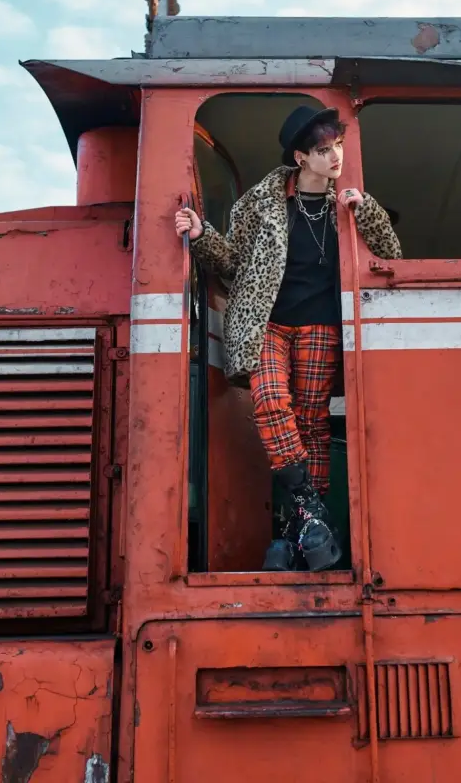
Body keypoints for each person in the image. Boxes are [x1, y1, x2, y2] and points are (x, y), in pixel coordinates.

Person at [175, 105, 402, 572]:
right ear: (300, 157)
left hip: (320, 326)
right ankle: (312, 513)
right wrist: (200, 235)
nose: (335, 156)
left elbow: (391, 254)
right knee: (270, 403)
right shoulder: (259, 201)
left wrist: (366, 211)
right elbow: (232, 262)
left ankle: (297, 535)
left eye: (338, 145)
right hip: (267, 324)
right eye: (323, 150)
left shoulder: (349, 203)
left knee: (312, 424)